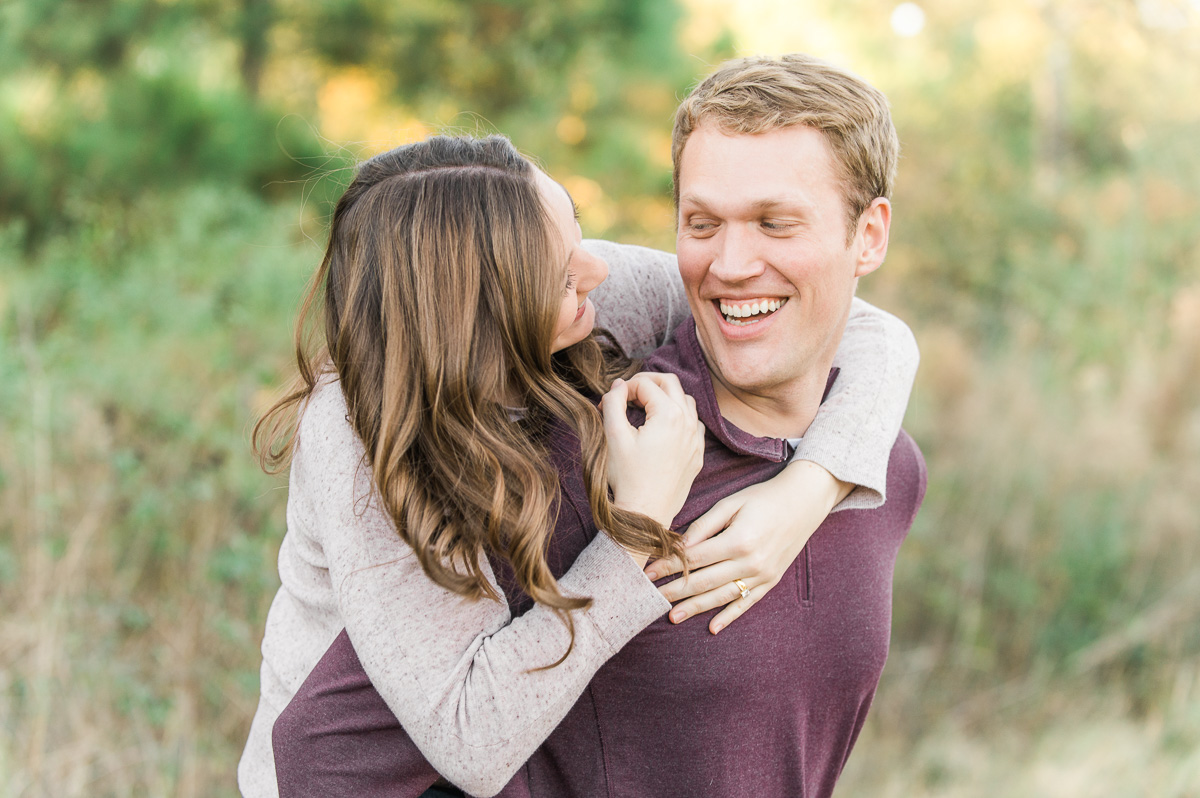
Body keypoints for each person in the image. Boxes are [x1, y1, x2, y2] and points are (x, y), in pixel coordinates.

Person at [244, 99, 918, 797]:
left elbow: (866, 328)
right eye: (562, 274)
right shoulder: (360, 435)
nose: (596, 270)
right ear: (480, 311)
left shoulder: (600, 293)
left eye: (579, 234)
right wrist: (637, 531)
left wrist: (809, 486)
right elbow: (469, 735)